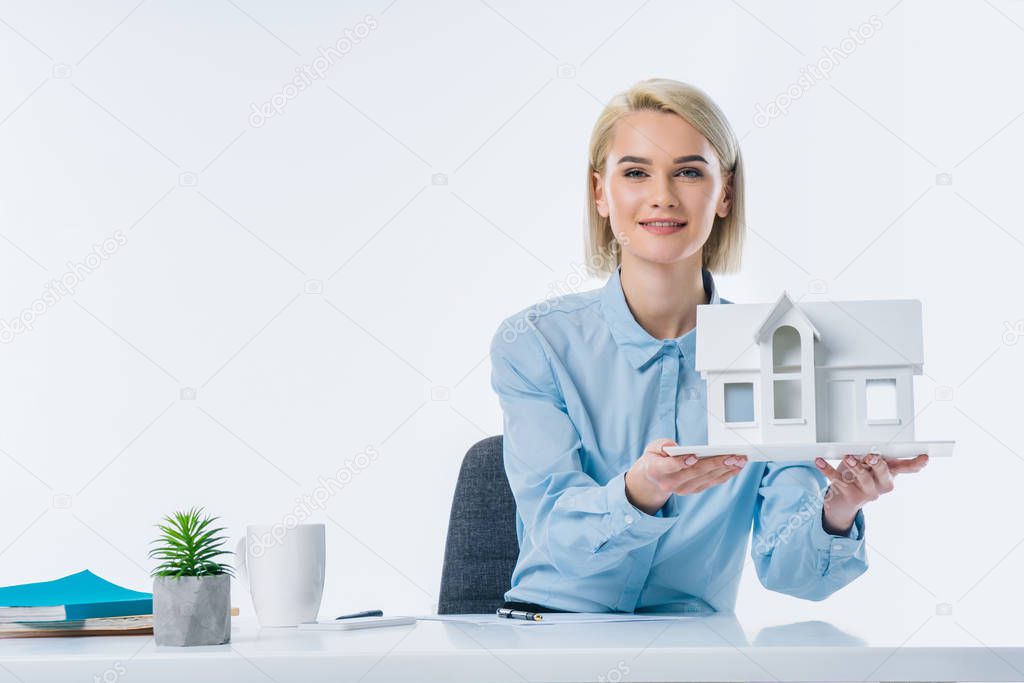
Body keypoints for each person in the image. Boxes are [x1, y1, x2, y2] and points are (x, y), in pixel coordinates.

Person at [489, 78, 928, 615]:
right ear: (600, 193)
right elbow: (559, 539)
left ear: (725, 194)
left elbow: (794, 576)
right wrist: (639, 490)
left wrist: (838, 507)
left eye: (689, 172)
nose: (663, 196)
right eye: (635, 172)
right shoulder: (535, 344)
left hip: (693, 650)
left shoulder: (778, 353)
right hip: (553, 635)